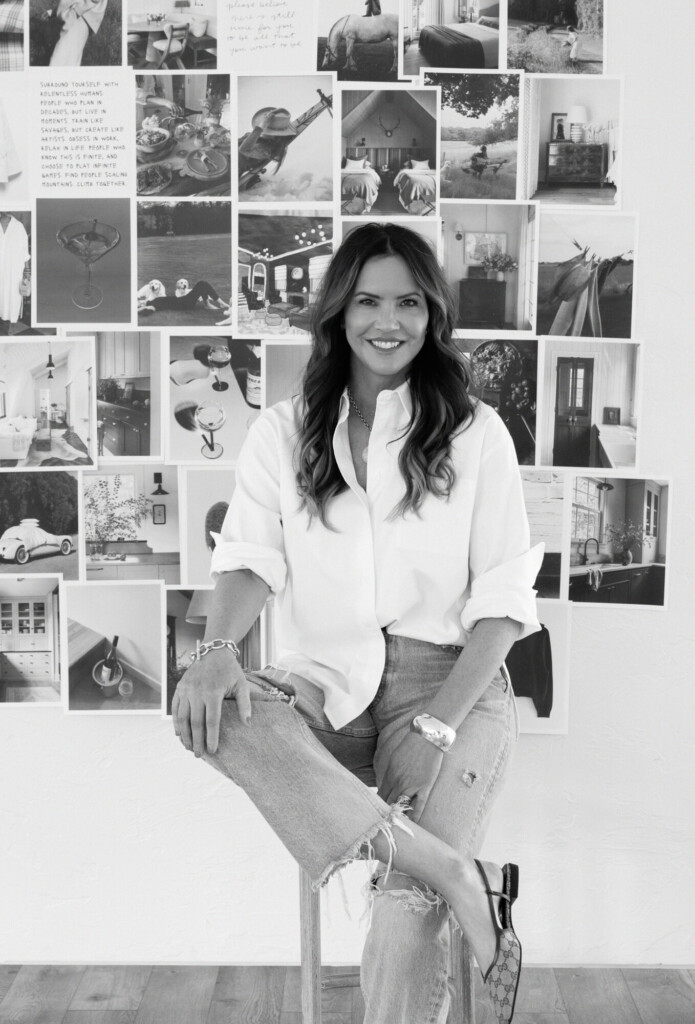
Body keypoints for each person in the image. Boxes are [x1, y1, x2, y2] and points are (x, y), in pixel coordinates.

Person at [172, 222, 544, 1023]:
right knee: (214, 715)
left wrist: (438, 725)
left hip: (451, 684)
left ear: (432, 314)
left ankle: (424, 879)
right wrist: (215, 652)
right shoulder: (284, 429)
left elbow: (504, 602)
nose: (389, 321)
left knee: (404, 920)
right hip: (327, 679)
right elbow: (247, 558)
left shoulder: (476, 434)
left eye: (408, 302)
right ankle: (452, 871)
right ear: (339, 312)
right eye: (368, 300)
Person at [43, 0, 107, 66]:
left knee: (60, 59)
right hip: (79, 14)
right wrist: (54, 12)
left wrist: (76, 11)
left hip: (80, 16)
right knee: (69, 60)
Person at [138, 280, 230, 314]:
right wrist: (141, 308)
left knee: (202, 285)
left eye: (140, 302)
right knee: (202, 284)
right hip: (183, 303)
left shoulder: (155, 299)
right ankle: (221, 303)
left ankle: (207, 304)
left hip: (183, 301)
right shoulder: (153, 304)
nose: (141, 302)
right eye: (140, 303)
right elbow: (150, 309)